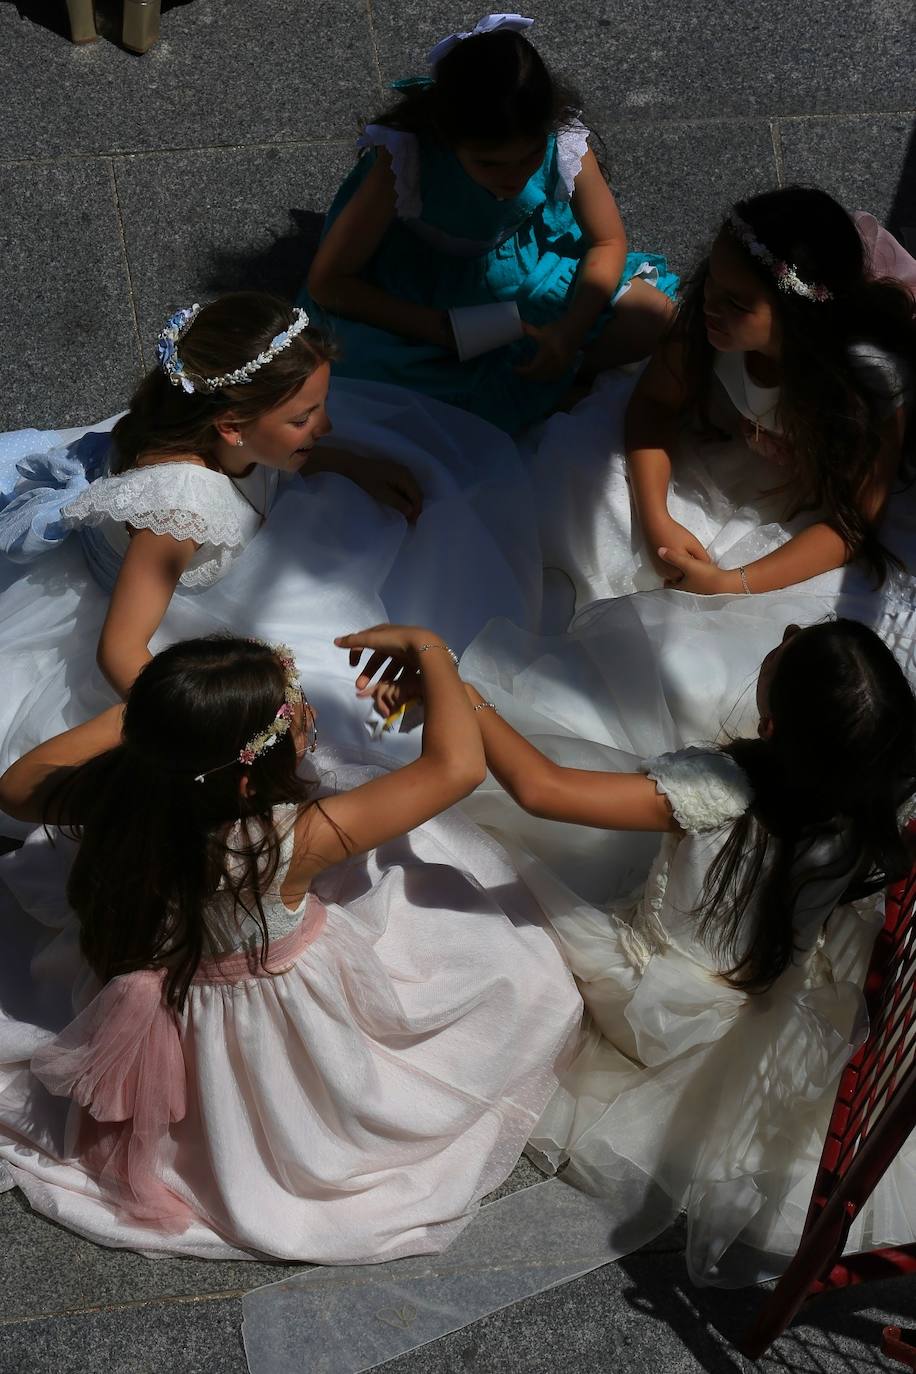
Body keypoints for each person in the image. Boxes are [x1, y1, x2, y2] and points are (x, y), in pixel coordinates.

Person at [0, 627, 581, 1262]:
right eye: (296, 720)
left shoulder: (117, 800)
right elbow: (457, 767)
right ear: (249, 783)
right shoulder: (289, 842)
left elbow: (16, 782)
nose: (308, 717)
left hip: (162, 999)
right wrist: (432, 650)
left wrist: (161, 728)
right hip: (275, 1028)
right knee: (508, 967)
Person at [362, 617, 916, 1283]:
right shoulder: (864, 809)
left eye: (790, 642)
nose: (790, 625)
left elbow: (542, 790)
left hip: (656, 1002)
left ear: (772, 727)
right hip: (765, 1009)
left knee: (488, 852)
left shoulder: (722, 786)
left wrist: (452, 677)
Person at [0, 293, 542, 826]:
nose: (325, 426)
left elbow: (259, 463)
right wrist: (214, 724)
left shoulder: (232, 438)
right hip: (162, 612)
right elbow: (119, 649)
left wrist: (339, 461)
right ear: (232, 426)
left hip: (215, 553)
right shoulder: (181, 509)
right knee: (355, 714)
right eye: (304, 419)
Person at [531, 187, 916, 610]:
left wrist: (732, 583)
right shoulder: (709, 323)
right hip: (732, 443)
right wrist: (657, 518)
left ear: (800, 317)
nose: (711, 303)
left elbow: (852, 524)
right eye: (712, 279)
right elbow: (653, 403)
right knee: (585, 493)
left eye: (736, 302)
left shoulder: (866, 382)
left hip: (827, 488)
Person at [302, 14, 677, 434]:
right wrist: (441, 329)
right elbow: (329, 282)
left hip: (531, 271)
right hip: (424, 292)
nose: (513, 176)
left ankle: (552, 374)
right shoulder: (406, 160)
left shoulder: (565, 141)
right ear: (446, 136)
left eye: (529, 157)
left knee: (654, 315)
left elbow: (607, 242)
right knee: (365, 381)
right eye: (489, 163)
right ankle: (535, 392)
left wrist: (569, 332)